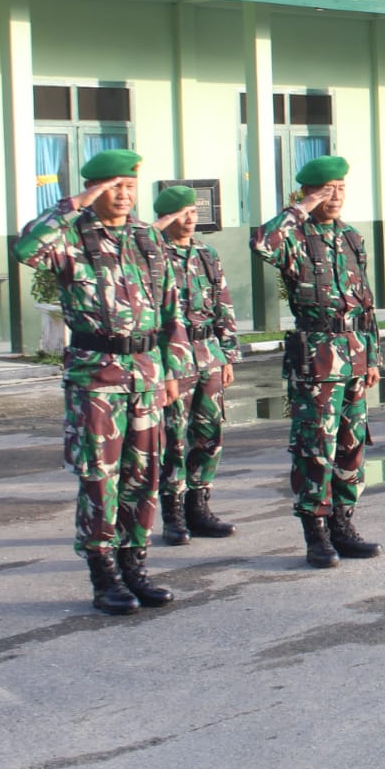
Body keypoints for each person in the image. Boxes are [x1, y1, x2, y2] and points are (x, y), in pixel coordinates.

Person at [14, 149, 185, 615]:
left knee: (143, 476)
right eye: (114, 187)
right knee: (99, 478)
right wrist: (74, 204)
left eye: (130, 187)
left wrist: (172, 369)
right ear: (95, 191)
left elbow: (172, 311)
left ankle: (135, 565)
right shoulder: (70, 238)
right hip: (97, 377)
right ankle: (102, 572)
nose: (124, 195)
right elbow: (26, 248)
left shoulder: (148, 238)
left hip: (147, 375)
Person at [252, 155, 384, 569]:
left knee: (351, 444)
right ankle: (316, 532)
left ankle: (344, 525)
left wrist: (374, 355)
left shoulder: (351, 237)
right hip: (317, 359)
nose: (336, 196)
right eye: (327, 190)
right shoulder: (295, 236)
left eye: (341, 188)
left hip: (355, 354)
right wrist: (301, 208)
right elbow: (262, 243)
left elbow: (365, 303)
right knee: (316, 448)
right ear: (309, 192)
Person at [152, 185, 239, 546]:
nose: (190, 219)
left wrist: (228, 355)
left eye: (193, 212)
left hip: (208, 354)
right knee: (173, 437)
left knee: (209, 434)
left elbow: (222, 302)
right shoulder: (153, 254)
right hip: (174, 357)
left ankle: (199, 507)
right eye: (181, 213)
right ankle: (172, 515)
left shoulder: (206, 253)